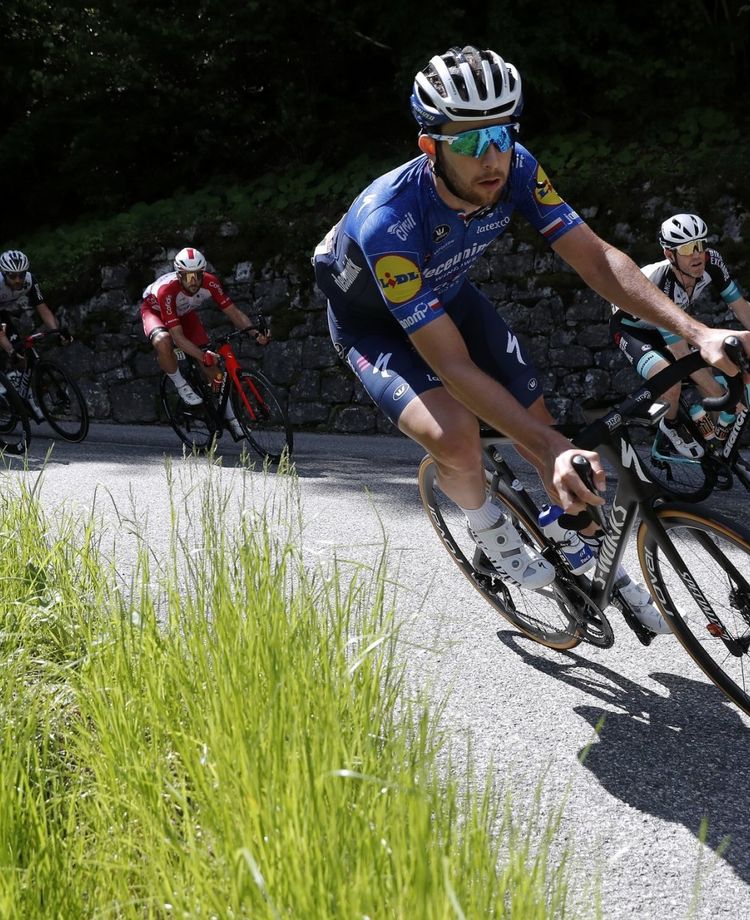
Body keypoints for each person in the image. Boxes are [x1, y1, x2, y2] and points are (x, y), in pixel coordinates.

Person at [313, 45, 750, 635]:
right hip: (375, 326)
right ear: (431, 147)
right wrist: (546, 447)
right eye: (469, 142)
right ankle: (487, 527)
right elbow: (452, 364)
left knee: (541, 422)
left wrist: (699, 332)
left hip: (444, 294)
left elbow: (595, 259)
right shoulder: (389, 221)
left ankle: (584, 548)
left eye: (501, 133)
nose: (491, 156)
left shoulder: (516, 166)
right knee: (456, 434)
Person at [611, 213, 750, 458]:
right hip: (631, 328)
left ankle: (722, 454)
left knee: (714, 377)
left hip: (668, 326)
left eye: (700, 244)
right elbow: (681, 353)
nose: (697, 254)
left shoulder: (712, 261)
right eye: (687, 248)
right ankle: (671, 424)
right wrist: (724, 395)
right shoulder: (661, 284)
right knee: (673, 381)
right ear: (669, 255)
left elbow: (740, 307)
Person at [140, 247, 269, 438]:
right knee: (164, 341)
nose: (193, 282)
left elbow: (233, 312)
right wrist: (202, 355)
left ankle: (232, 420)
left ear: (204, 272)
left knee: (213, 369)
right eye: (187, 276)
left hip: (184, 315)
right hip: (156, 312)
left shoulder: (211, 282)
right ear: (178, 275)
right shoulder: (168, 290)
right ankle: (181, 385)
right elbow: (178, 337)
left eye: (197, 276)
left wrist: (255, 333)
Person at [0, 249, 72, 361]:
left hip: (11, 306)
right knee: (14, 351)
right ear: (4, 273)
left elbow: (42, 308)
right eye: (12, 276)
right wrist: (10, 350)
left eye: (21, 275)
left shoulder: (30, 280)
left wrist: (57, 332)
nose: (18, 280)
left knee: (22, 352)